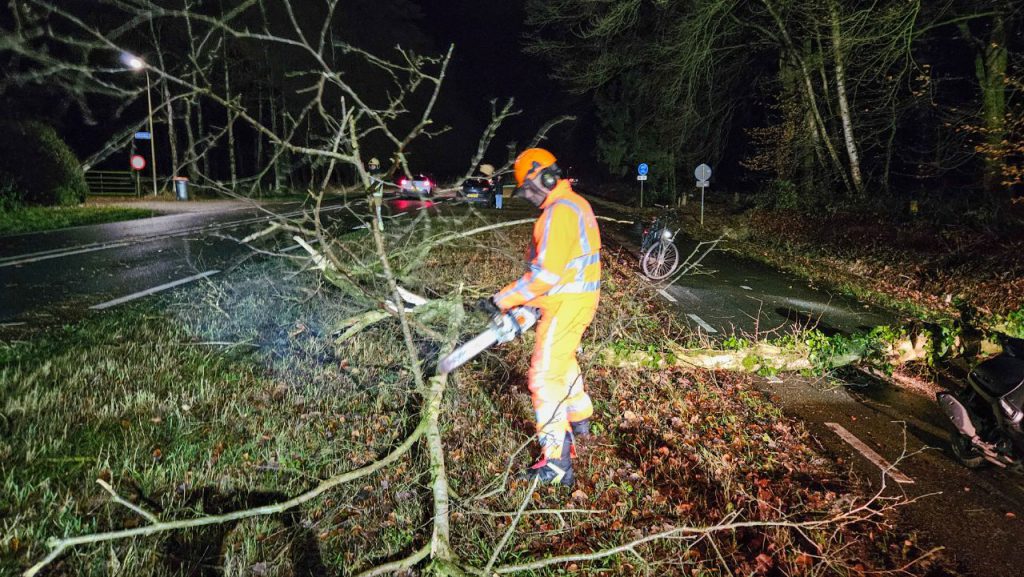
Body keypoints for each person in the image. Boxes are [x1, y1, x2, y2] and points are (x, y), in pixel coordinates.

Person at [484, 147, 601, 486]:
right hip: (576, 300)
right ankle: (580, 417)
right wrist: (530, 303)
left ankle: (557, 462)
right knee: (562, 363)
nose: (529, 196)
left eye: (529, 188)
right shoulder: (574, 204)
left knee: (543, 376)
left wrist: (502, 300)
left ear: (544, 176)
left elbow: (545, 276)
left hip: (564, 304)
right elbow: (560, 269)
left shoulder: (558, 213)